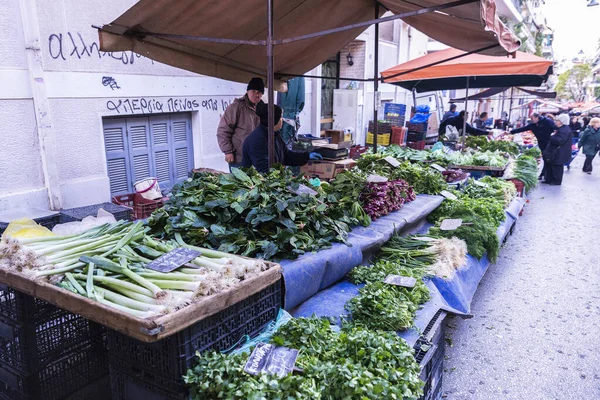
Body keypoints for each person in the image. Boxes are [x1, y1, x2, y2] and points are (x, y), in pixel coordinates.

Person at [242, 103, 321, 173]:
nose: (282, 120)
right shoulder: (257, 141)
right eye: (280, 117)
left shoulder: (275, 135)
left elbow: (286, 156)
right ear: (273, 120)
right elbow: (264, 171)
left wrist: (306, 156)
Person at [217, 77, 265, 170]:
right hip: (239, 159)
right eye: (253, 91)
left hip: (257, 159)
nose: (256, 94)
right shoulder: (236, 107)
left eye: (259, 92)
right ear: (248, 91)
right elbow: (223, 130)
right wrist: (228, 151)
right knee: (239, 184)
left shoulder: (263, 109)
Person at [543, 114, 573, 186]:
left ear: (561, 122)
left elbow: (560, 141)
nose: (555, 122)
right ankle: (549, 179)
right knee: (551, 165)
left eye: (557, 120)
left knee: (557, 167)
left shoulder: (564, 130)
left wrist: (552, 136)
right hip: (556, 151)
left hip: (559, 152)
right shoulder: (561, 129)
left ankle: (556, 181)